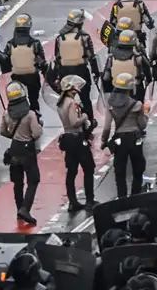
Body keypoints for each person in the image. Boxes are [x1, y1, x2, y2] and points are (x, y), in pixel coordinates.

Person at [100, 72, 149, 199]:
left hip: (119, 140)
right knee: (138, 168)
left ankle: (122, 198)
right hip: (135, 139)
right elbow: (142, 125)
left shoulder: (111, 105)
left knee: (119, 171)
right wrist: (146, 114)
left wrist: (104, 141)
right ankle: (135, 196)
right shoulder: (137, 105)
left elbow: (107, 127)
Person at [0, 81, 42, 225]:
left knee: (17, 183)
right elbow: (36, 134)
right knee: (33, 180)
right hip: (27, 150)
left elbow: (3, 131)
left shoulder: (6, 113)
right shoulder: (30, 115)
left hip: (14, 149)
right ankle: (25, 209)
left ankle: (19, 209)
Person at [56, 74, 96, 213]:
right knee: (89, 167)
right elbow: (74, 122)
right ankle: (90, 200)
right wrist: (84, 116)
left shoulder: (61, 103)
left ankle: (72, 201)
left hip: (67, 138)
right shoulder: (72, 104)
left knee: (71, 171)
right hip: (77, 138)